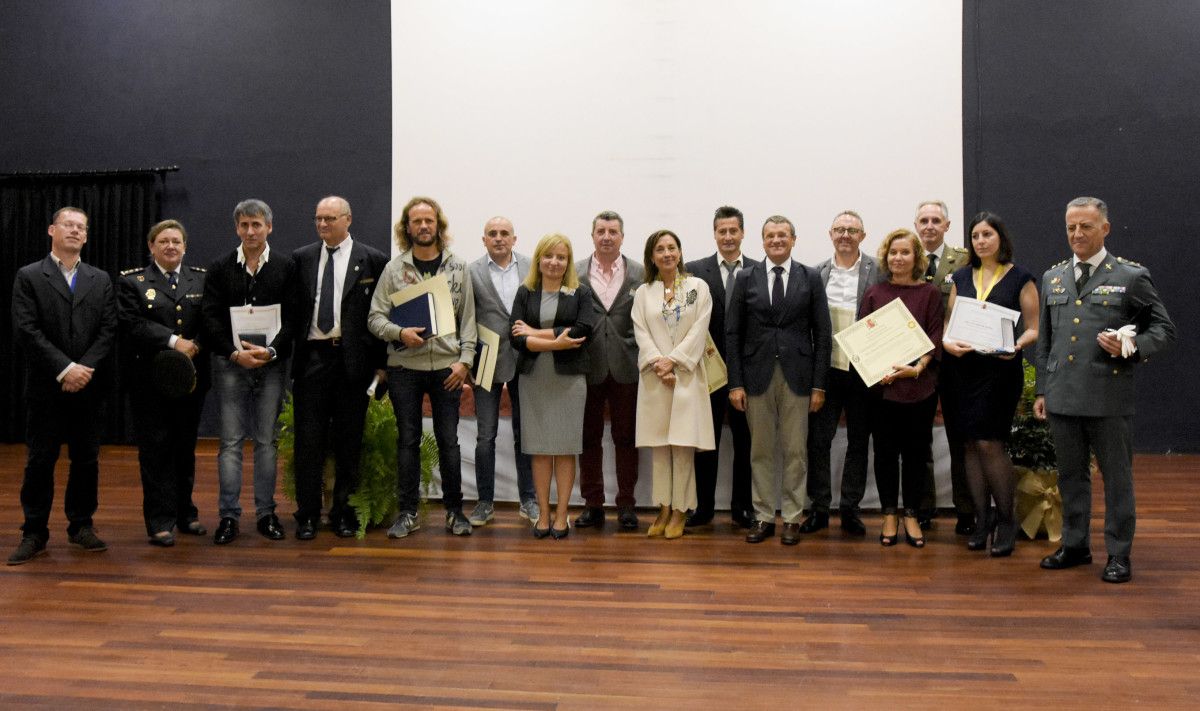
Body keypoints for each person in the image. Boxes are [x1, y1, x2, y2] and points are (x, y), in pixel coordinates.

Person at [1034, 197, 1175, 584]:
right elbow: (1045, 342)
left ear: (1105, 229)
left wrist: (1131, 348)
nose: (1077, 234)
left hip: (1108, 397)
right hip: (1062, 396)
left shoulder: (1130, 276)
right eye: (1071, 227)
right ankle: (1075, 545)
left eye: (1086, 226)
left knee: (1117, 478)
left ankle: (1118, 553)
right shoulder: (1054, 277)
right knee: (1070, 477)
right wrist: (1042, 391)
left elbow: (1163, 329)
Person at [8, 207, 117, 565]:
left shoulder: (99, 278)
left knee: (86, 459)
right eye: (68, 224)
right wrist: (65, 368)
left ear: (86, 236)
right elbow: (27, 330)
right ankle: (34, 531)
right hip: (46, 387)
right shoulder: (29, 276)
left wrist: (84, 368)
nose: (74, 230)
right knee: (40, 460)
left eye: (81, 227)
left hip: (89, 386)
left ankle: (81, 526)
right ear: (51, 229)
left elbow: (108, 330)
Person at [367, 196, 477, 538]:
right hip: (404, 368)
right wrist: (399, 333)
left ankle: (455, 512)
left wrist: (465, 362)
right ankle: (408, 513)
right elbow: (374, 317)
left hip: (448, 368)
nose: (424, 226)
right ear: (407, 228)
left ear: (438, 225)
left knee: (449, 441)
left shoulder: (459, 267)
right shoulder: (393, 269)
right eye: (417, 221)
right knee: (408, 440)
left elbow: (469, 320)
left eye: (429, 220)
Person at [726, 215, 831, 545]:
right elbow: (733, 333)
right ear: (762, 241)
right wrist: (735, 383)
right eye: (770, 236)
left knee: (796, 451)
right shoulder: (746, 277)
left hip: (798, 378)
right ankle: (762, 516)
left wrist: (818, 385)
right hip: (755, 376)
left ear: (793, 239)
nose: (776, 240)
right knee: (760, 452)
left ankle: (793, 517)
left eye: (782, 235)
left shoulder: (810, 277)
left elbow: (823, 334)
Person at [289, 196, 388, 540]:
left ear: (348, 219)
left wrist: (381, 366)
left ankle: (343, 512)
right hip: (312, 360)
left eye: (330, 218)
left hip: (352, 362)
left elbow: (381, 317)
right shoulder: (301, 258)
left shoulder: (373, 259)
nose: (322, 225)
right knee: (308, 442)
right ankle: (307, 515)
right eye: (318, 219)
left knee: (349, 442)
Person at [942, 212, 1039, 556]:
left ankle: (1007, 520)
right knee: (969, 444)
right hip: (961, 372)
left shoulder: (1021, 277)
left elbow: (1033, 327)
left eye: (987, 234)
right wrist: (947, 343)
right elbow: (949, 326)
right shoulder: (961, 276)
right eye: (976, 236)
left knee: (989, 443)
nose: (981, 241)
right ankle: (982, 520)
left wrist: (1017, 346)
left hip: (999, 371)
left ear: (1000, 238)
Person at [201, 199, 296, 544]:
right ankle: (228, 517)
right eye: (244, 225)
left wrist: (271, 351)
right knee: (229, 444)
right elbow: (209, 318)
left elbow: (295, 319)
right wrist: (232, 352)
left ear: (269, 227)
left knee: (267, 442)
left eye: (257, 225)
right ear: (237, 228)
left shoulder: (286, 267)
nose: (251, 231)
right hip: (230, 364)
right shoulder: (220, 267)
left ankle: (266, 514)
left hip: (273, 365)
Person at [117, 219, 210, 547]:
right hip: (150, 381)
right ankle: (159, 519)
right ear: (151, 247)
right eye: (164, 241)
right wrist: (174, 341)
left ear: (184, 246)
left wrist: (196, 342)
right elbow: (130, 323)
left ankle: (185, 513)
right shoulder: (134, 281)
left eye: (176, 241)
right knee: (156, 450)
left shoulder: (200, 278)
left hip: (191, 380)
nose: (171, 246)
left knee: (185, 449)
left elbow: (209, 319)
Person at [861, 229, 944, 549]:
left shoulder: (930, 294)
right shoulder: (875, 293)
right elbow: (863, 341)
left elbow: (935, 335)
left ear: (916, 258)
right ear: (886, 257)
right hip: (883, 390)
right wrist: (877, 369)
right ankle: (889, 515)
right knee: (884, 454)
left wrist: (918, 368)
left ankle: (911, 513)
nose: (898, 258)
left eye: (905, 252)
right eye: (893, 252)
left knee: (915, 454)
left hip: (920, 388)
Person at [802, 210, 883, 538]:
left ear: (862, 235)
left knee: (859, 441)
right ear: (830, 234)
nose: (845, 235)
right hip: (827, 370)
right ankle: (819, 508)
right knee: (818, 441)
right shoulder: (816, 273)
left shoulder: (879, 269)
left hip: (865, 369)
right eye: (839, 229)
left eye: (852, 230)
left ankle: (851, 508)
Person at [510, 233, 596, 538]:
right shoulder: (525, 291)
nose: (554, 262)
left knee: (565, 449)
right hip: (534, 380)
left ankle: (562, 514)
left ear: (568, 261)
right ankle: (543, 514)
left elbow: (583, 330)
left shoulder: (580, 292)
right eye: (548, 256)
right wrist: (555, 342)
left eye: (561, 257)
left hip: (569, 382)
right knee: (540, 450)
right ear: (538, 260)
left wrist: (536, 333)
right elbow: (515, 337)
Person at [632, 230, 714, 539]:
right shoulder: (644, 292)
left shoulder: (697, 287)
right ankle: (663, 507)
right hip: (655, 379)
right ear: (652, 257)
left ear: (680, 252)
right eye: (660, 249)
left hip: (686, 378)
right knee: (659, 448)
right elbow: (641, 332)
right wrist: (658, 362)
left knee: (682, 447)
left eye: (672, 247)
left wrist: (674, 361)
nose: (667, 253)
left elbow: (698, 330)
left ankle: (681, 509)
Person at [684, 206, 758, 529]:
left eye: (733, 231)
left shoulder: (758, 270)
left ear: (743, 233)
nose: (727, 237)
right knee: (706, 442)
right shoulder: (694, 271)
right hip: (706, 372)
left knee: (745, 443)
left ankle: (742, 507)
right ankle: (703, 508)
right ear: (714, 234)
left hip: (747, 373)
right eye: (722, 231)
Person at [575, 211, 645, 530]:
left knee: (626, 437)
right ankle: (593, 503)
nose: (606, 236)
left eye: (612, 231)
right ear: (592, 235)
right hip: (586, 366)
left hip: (626, 367)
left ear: (622, 236)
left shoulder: (640, 273)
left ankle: (627, 503)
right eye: (601, 231)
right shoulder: (574, 272)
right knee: (588, 438)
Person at [467, 216, 538, 527]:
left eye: (504, 233)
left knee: (526, 434)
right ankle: (485, 502)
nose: (498, 238)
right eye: (492, 234)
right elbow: (465, 317)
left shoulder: (531, 267)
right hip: (485, 359)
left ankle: (529, 499)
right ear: (484, 240)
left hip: (526, 359)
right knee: (486, 435)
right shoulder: (471, 271)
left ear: (514, 238)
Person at [914, 200, 974, 534]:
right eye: (923, 220)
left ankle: (966, 509)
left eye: (936, 220)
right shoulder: (905, 258)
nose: (929, 226)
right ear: (916, 224)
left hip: (953, 362)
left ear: (947, 226)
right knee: (919, 439)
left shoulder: (963, 261)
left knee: (959, 440)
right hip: (919, 363)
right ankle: (923, 508)